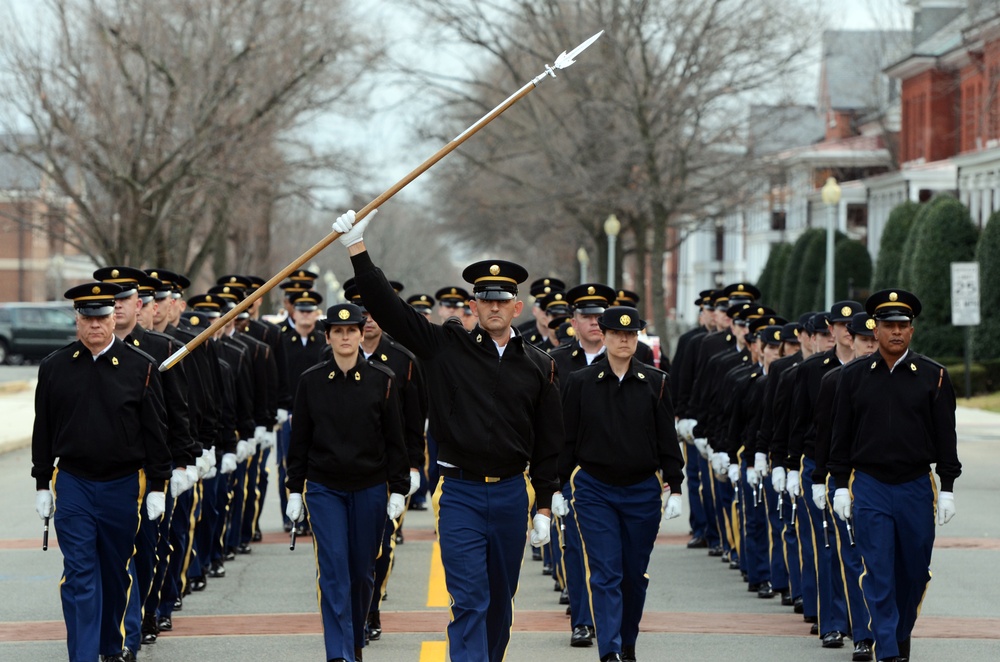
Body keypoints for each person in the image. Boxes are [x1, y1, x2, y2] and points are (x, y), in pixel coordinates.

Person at [332, 209, 562, 662]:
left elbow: (549, 440)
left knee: (500, 604)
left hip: (513, 491)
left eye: (503, 300)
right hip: (460, 493)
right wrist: (358, 249)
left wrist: (544, 502)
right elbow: (390, 311)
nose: (493, 307)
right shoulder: (445, 348)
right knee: (470, 601)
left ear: (516, 307)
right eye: (485, 300)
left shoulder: (538, 364)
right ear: (472, 306)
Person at [32, 282, 172, 662]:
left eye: (101, 317)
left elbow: (156, 432)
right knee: (79, 572)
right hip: (74, 481)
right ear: (77, 321)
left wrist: (158, 484)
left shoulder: (139, 368)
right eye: (86, 318)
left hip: (122, 483)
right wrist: (42, 482)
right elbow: (43, 428)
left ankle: (111, 646)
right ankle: (83, 655)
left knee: (114, 571)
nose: (94, 325)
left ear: (114, 318)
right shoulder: (55, 367)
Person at [829, 289, 961, 662]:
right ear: (876, 328)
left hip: (917, 484)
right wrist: (839, 485)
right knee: (878, 569)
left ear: (912, 331)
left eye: (903, 325)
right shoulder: (853, 377)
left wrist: (947, 487)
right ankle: (887, 648)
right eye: (889, 325)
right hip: (869, 484)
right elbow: (840, 435)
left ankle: (899, 635)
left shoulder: (933, 376)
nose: (896, 332)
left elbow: (945, 436)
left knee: (914, 572)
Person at [285, 302, 409, 662]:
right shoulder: (310, 381)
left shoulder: (382, 380)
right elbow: (300, 441)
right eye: (337, 331)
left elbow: (394, 440)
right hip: (325, 488)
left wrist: (399, 489)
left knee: (362, 572)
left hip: (369, 486)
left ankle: (353, 641)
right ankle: (338, 653)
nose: (344, 337)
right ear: (328, 336)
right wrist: (295, 489)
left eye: (351, 330)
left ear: (359, 334)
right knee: (334, 567)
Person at [558, 305, 684, 662]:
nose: (624, 340)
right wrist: (554, 487)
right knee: (605, 572)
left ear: (637, 338)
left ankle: (627, 642)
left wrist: (675, 486)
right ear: (606, 336)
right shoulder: (581, 382)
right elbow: (567, 440)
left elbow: (666, 440)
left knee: (633, 575)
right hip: (595, 489)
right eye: (617, 334)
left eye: (631, 335)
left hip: (642, 490)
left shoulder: (655, 383)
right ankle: (609, 649)